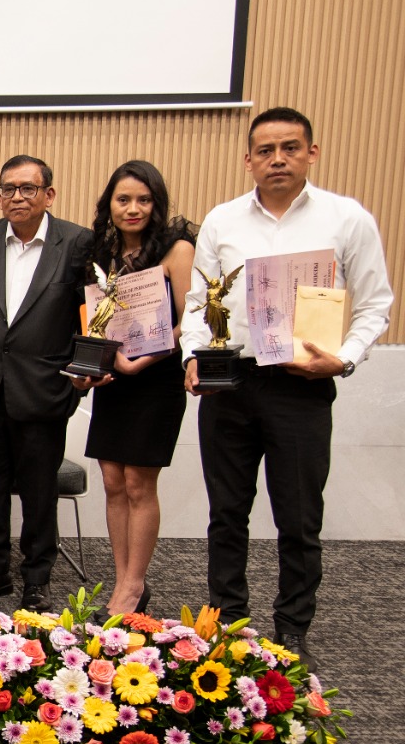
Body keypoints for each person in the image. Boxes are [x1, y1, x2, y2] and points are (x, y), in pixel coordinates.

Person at [182, 107, 392, 665]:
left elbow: (376, 305)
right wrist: (192, 357)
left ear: (311, 153)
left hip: (302, 384)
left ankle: (292, 629)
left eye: (290, 148)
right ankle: (226, 622)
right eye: (266, 150)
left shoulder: (347, 219)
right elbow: (200, 304)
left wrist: (343, 360)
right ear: (248, 159)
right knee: (227, 513)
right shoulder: (223, 220)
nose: (278, 159)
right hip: (230, 382)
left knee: (298, 517)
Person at [0, 156, 93, 612]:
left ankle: (37, 577)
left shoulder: (77, 243)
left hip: (45, 388)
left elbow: (92, 312)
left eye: (28, 188)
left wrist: (84, 372)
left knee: (39, 491)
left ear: (48, 194)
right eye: (8, 189)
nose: (17, 197)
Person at [73, 161, 195, 616]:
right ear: (109, 204)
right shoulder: (102, 255)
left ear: (156, 204)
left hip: (157, 379)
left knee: (139, 484)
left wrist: (144, 358)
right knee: (112, 482)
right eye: (123, 200)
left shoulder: (177, 249)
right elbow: (97, 319)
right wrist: (100, 361)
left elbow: (191, 320)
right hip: (115, 380)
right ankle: (125, 579)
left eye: (144, 200)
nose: (133, 208)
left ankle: (133, 583)